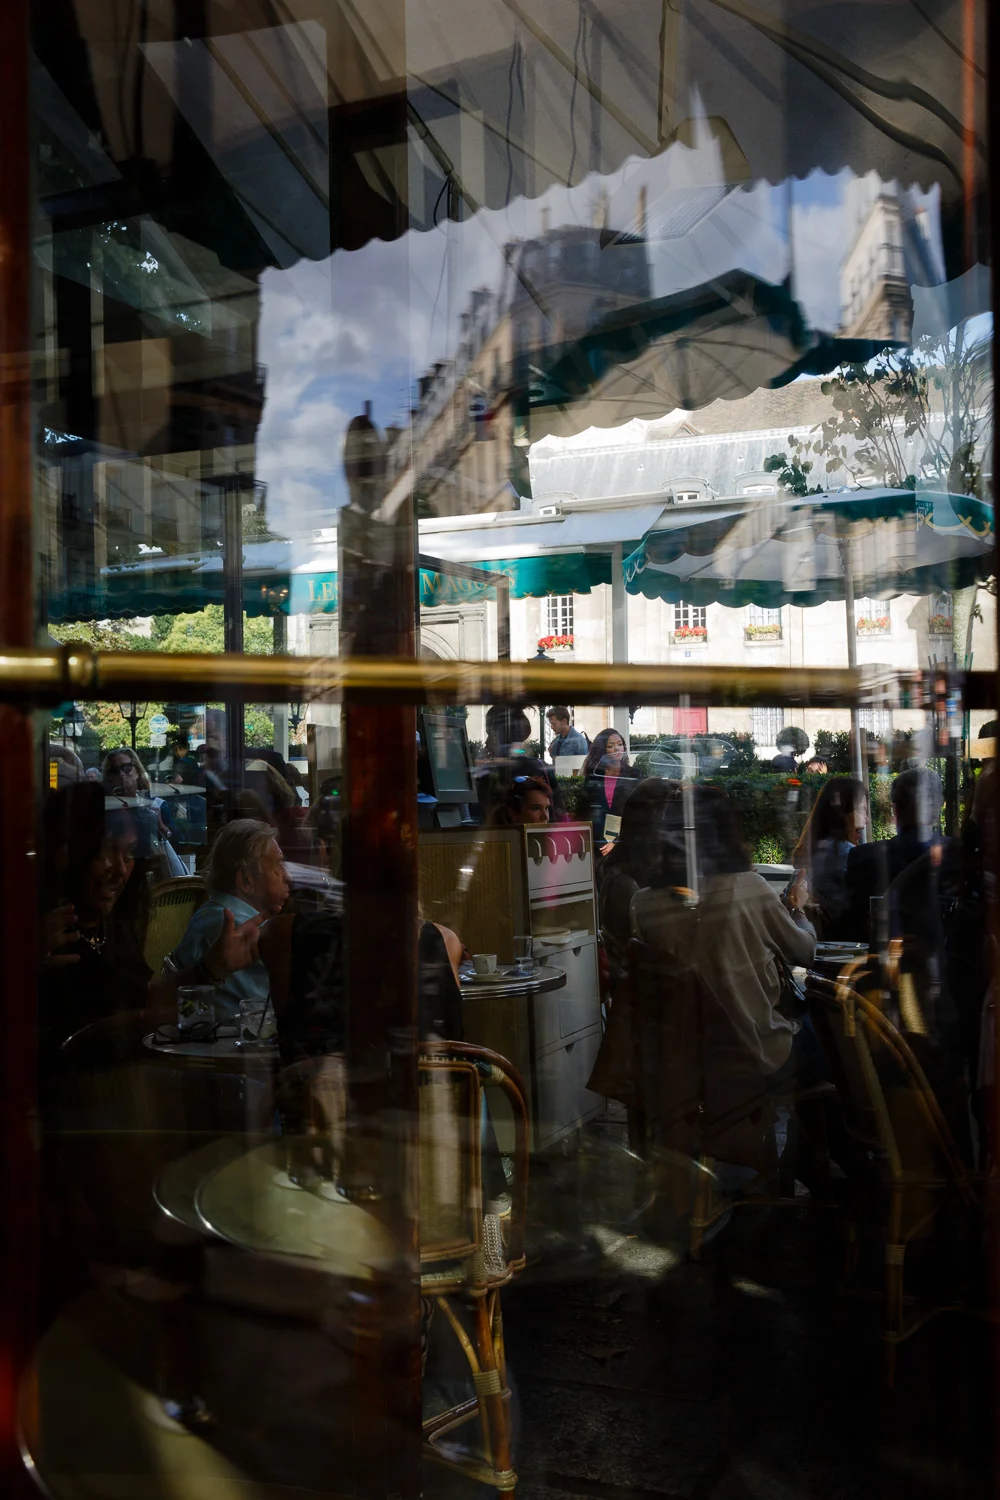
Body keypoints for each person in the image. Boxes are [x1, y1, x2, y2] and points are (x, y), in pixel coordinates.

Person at [41, 784, 263, 1052]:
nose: (121, 869)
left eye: (130, 853)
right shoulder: (44, 934)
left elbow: (147, 997)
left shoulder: (111, 926)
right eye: (106, 852)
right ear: (69, 855)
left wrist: (211, 968)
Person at [630, 786, 817, 1080]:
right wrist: (797, 910)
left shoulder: (642, 903)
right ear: (729, 834)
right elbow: (805, 953)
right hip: (753, 1053)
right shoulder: (750, 888)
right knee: (830, 1029)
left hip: (680, 1059)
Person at [172, 817, 290, 1018]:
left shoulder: (213, 914)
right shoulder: (236, 928)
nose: (287, 876)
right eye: (278, 867)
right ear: (246, 880)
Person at [845, 767, 944, 941]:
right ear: (937, 809)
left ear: (896, 809)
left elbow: (852, 928)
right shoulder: (956, 855)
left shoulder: (863, 857)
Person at [791, 777, 868, 939]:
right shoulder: (845, 852)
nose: (866, 819)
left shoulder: (813, 849)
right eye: (861, 810)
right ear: (842, 814)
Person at [581, 728, 637, 847]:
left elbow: (638, 812)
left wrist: (616, 842)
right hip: (598, 840)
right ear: (602, 751)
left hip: (626, 839)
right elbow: (586, 811)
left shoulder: (634, 775)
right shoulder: (594, 776)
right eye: (611, 746)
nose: (617, 748)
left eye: (620, 744)